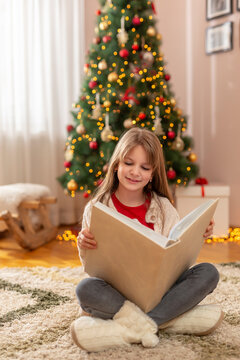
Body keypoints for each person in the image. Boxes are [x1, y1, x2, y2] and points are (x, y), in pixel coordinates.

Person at [70, 127, 223, 352]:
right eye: (129, 163)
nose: (135, 172)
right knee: (86, 289)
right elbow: (91, 268)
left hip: (161, 291)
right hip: (118, 293)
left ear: (152, 173)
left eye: (144, 167)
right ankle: (168, 319)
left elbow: (177, 255)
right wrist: (84, 245)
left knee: (209, 272)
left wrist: (198, 234)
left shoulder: (163, 208)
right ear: (116, 165)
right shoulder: (96, 209)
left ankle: (130, 327)